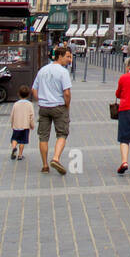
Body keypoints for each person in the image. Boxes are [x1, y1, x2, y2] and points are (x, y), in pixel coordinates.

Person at [32, 46, 73, 176]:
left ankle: (44, 165)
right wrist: (67, 105)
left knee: (43, 136)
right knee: (62, 134)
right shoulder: (63, 72)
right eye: (67, 56)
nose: (69, 60)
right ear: (59, 56)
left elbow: (34, 89)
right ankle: (55, 158)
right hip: (59, 106)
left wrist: (41, 100)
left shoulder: (42, 70)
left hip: (44, 107)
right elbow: (66, 92)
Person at [10, 84, 35, 161]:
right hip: (25, 126)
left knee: (14, 138)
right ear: (28, 95)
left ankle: (14, 148)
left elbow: (12, 115)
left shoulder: (16, 104)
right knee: (22, 141)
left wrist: (12, 123)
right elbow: (31, 116)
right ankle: (20, 155)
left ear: (18, 94)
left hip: (16, 125)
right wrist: (32, 125)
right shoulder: (30, 104)